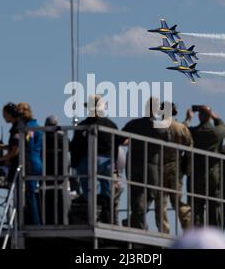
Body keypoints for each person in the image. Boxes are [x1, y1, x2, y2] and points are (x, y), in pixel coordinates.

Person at [70, 94, 119, 223]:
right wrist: (114, 164)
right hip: (107, 162)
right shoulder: (111, 125)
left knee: (88, 190)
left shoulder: (83, 125)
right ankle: (108, 217)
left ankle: (92, 214)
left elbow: (75, 146)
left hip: (88, 161)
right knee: (107, 191)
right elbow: (115, 145)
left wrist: (74, 164)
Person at [121, 97, 169, 230]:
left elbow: (120, 138)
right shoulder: (160, 126)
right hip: (151, 164)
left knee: (136, 194)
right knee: (151, 193)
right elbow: (167, 140)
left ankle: (135, 220)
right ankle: (136, 221)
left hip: (133, 162)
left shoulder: (134, 124)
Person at [184, 105, 225, 227]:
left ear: (198, 116)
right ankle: (214, 237)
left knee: (196, 208)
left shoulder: (193, 132)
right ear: (210, 116)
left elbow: (181, 131)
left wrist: (188, 118)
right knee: (214, 207)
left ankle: (197, 237)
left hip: (196, 175)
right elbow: (224, 126)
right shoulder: (218, 132)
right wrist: (213, 115)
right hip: (214, 175)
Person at [155, 102, 193, 233]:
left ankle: (164, 231)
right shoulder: (181, 128)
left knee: (160, 202)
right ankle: (188, 227)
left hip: (159, 168)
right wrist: (187, 169)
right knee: (177, 200)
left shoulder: (156, 128)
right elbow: (189, 148)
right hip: (176, 168)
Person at [17, 102, 43, 225]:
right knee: (31, 192)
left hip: (31, 162)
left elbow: (29, 144)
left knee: (30, 193)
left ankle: (35, 222)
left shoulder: (30, 128)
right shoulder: (35, 125)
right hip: (36, 160)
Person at [43, 115, 69, 225]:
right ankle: (61, 219)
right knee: (59, 196)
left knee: (46, 197)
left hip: (45, 171)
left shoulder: (43, 138)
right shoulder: (62, 138)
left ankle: (47, 219)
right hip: (60, 171)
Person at [0, 103, 22, 183]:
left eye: (5, 114)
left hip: (16, 167)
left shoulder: (17, 129)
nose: (3, 116)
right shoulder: (18, 126)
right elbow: (10, 147)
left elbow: (14, 152)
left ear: (10, 114)